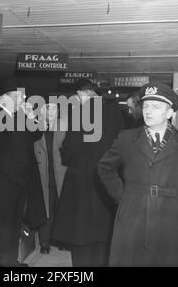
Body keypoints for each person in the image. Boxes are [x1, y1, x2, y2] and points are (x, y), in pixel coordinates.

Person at [97, 82, 178, 266]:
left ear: (170, 113)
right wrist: (122, 197)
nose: (148, 111)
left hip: (171, 215)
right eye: (146, 106)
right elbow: (104, 167)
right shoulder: (126, 138)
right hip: (133, 213)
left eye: (156, 107)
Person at [0, 77, 45, 267]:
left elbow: (37, 133)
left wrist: (31, 116)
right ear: (5, 97)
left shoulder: (20, 117)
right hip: (2, 183)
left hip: (21, 181)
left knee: (14, 226)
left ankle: (11, 264)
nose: (23, 100)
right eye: (19, 96)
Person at [52, 79, 124, 267]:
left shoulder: (79, 112)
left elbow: (70, 147)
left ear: (81, 94)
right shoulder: (114, 111)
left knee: (80, 231)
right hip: (107, 178)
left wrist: (65, 154)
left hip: (81, 179)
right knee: (102, 233)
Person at [33, 103, 67, 254]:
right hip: (43, 174)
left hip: (61, 173)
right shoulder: (36, 126)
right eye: (48, 108)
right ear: (43, 111)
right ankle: (44, 242)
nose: (51, 111)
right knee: (45, 210)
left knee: (62, 209)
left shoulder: (64, 125)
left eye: (54, 109)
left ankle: (61, 240)